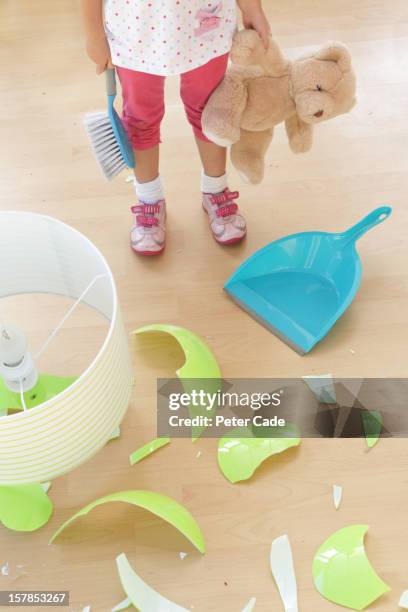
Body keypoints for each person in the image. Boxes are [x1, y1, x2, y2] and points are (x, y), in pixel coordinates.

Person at [80, 0, 270, 254]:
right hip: (135, 28)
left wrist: (252, 8)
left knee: (211, 110)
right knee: (140, 118)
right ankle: (149, 198)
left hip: (205, 23)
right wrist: (93, 32)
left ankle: (215, 189)